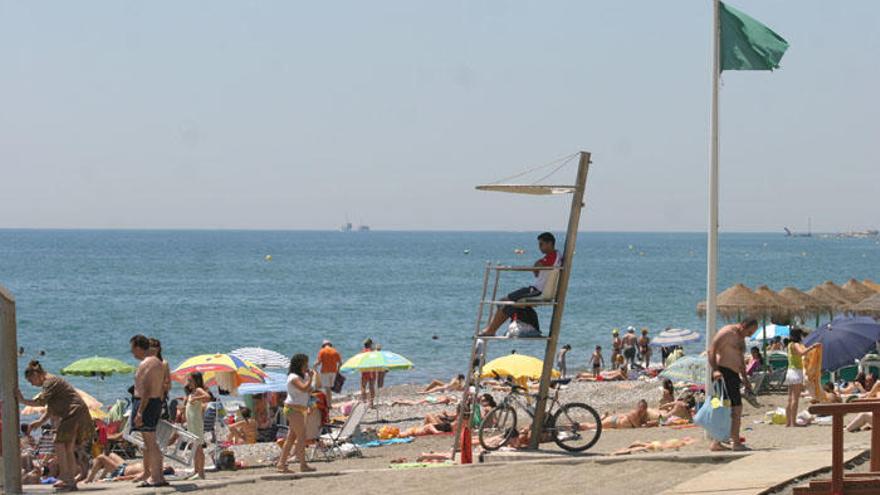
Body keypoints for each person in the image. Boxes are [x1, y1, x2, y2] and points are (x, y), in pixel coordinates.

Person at [16, 360, 94, 491]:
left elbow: (41, 402)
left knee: (59, 444)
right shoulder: (51, 381)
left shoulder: (49, 382)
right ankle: (70, 480)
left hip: (73, 412)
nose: (32, 384)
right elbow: (51, 407)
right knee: (67, 447)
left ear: (36, 375)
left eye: (31, 381)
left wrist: (22, 400)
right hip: (77, 412)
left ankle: (65, 477)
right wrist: (40, 421)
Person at [479, 232, 560, 336]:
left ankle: (490, 330)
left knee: (507, 304)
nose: (539, 248)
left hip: (537, 291)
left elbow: (536, 268)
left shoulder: (552, 256)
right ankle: (491, 329)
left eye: (541, 244)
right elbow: (537, 270)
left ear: (549, 243)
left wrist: (537, 264)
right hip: (534, 289)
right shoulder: (556, 256)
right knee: (503, 302)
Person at [707, 319, 759, 451]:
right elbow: (711, 350)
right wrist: (715, 370)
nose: (750, 335)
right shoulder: (727, 332)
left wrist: (746, 380)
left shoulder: (741, 337)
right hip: (723, 373)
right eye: (749, 331)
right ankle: (730, 442)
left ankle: (725, 441)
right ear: (743, 326)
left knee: (733, 409)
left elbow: (740, 359)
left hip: (734, 375)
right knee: (727, 409)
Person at [129, 334, 167, 487]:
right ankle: (158, 476)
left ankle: (155, 477)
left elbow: (145, 389)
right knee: (151, 442)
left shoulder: (146, 363)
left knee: (149, 442)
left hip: (146, 403)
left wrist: (139, 412)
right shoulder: (158, 362)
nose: (132, 353)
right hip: (155, 401)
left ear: (138, 347)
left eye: (133, 350)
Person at [277, 353, 316, 474]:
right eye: (305, 363)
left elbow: (310, 389)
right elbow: (304, 388)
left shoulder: (301, 376)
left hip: (299, 409)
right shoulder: (293, 377)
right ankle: (303, 464)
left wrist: (312, 377)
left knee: (291, 438)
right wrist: (310, 378)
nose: (307, 366)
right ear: (300, 364)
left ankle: (281, 464)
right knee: (302, 436)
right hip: (293, 409)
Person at [785, 328, 819, 427]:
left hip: (790, 371)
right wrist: (812, 347)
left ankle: (788, 422)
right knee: (795, 398)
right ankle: (793, 422)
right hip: (796, 371)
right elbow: (801, 353)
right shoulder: (796, 344)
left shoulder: (789, 345)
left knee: (789, 398)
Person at [184, 372, 211, 479]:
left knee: (198, 446)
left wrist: (195, 399)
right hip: (191, 423)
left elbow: (208, 397)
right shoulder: (192, 392)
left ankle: (201, 472)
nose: (188, 382)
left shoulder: (198, 390)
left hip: (196, 423)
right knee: (193, 447)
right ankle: (196, 470)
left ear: (196, 381)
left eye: (190, 380)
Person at [148, 338, 172, 419]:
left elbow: (168, 385)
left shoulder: (164, 363)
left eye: (150, 347)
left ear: (157, 349)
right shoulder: (146, 363)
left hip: (159, 399)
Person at [315, 340, 342, 406]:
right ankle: (329, 403)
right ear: (330, 345)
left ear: (323, 345)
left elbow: (318, 363)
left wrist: (314, 366)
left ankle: (328, 404)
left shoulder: (322, 351)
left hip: (325, 372)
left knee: (327, 389)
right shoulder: (335, 351)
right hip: (333, 372)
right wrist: (338, 370)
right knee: (329, 388)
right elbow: (340, 363)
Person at [359, 339, 377, 408]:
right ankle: (371, 403)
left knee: (363, 386)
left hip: (365, 371)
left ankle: (364, 403)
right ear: (370, 344)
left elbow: (360, 362)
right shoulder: (373, 353)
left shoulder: (362, 353)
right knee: (371, 387)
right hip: (372, 371)